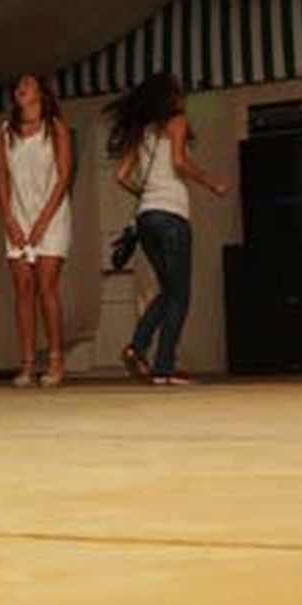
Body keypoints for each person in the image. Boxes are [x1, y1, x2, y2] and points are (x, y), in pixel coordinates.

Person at [105, 73, 228, 386]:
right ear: (170, 98)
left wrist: (145, 196)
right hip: (172, 215)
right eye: (179, 94)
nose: (183, 98)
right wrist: (212, 182)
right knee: (180, 294)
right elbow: (178, 161)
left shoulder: (141, 130)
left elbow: (121, 175)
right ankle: (163, 367)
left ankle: (137, 348)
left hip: (147, 218)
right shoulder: (177, 121)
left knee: (170, 290)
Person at [0, 74, 74, 388]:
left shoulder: (55, 127)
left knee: (46, 286)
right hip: (19, 215)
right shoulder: (4, 132)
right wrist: (9, 219)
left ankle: (55, 360)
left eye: (27, 84)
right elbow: (1, 177)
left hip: (51, 214)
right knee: (23, 289)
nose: (21, 88)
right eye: (18, 85)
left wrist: (42, 221)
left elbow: (64, 176)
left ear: (40, 92)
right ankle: (27, 362)